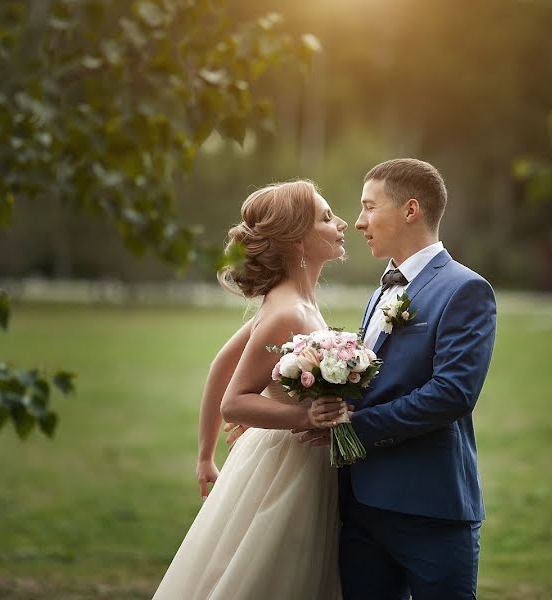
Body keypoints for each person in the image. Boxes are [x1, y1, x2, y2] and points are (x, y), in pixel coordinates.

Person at [308, 158, 497, 600]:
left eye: (369, 207)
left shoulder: (464, 289)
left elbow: (453, 394)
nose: (357, 222)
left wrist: (354, 429)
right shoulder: (380, 292)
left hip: (429, 508)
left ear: (410, 211)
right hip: (361, 506)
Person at [151, 180, 349, 600]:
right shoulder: (286, 311)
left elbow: (220, 365)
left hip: (286, 460)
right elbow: (234, 401)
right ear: (298, 240)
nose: (342, 224)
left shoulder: (291, 302)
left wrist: (207, 456)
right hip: (286, 469)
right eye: (327, 218)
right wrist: (304, 415)